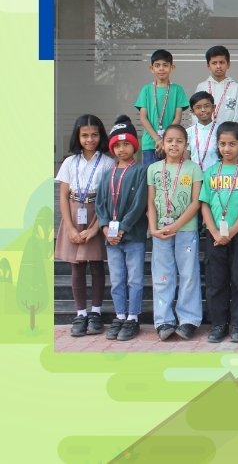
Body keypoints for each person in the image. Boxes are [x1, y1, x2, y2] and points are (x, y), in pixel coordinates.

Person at [56, 115, 114, 337]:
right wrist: (70, 228)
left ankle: (96, 312)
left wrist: (95, 227)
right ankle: (80, 314)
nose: (90, 139)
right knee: (76, 266)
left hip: (97, 213)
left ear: (101, 136)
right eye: (85, 135)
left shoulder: (107, 163)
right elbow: (63, 196)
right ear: (77, 137)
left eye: (94, 135)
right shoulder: (69, 162)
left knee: (97, 266)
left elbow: (109, 198)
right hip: (73, 214)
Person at [199, 121, 238, 344]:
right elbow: (204, 203)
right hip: (214, 236)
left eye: (232, 144)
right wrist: (214, 231)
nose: (227, 148)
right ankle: (219, 324)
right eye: (222, 144)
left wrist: (231, 232)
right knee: (216, 281)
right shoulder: (211, 172)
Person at [146, 124, 203, 341]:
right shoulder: (153, 169)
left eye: (179, 141)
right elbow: (151, 202)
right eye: (169, 140)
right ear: (162, 143)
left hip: (186, 230)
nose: (174, 145)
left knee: (188, 275)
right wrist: (153, 228)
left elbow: (196, 202)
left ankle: (189, 319)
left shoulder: (193, 168)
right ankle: (164, 320)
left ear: (186, 145)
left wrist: (176, 225)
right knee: (163, 275)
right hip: (161, 231)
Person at [94, 116, 148, 342]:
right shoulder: (107, 174)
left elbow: (139, 203)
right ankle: (119, 315)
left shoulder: (142, 171)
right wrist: (106, 228)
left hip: (133, 236)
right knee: (116, 279)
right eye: (117, 145)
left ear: (134, 146)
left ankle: (133, 317)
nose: (122, 149)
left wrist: (123, 228)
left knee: (134, 279)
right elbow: (100, 203)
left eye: (126, 144)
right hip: (111, 239)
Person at [134, 49, 188, 166]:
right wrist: (158, 139)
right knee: (151, 175)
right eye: (157, 65)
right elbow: (143, 118)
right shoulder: (146, 89)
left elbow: (178, 118)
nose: (161, 69)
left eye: (165, 65)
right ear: (151, 68)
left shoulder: (177, 90)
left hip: (171, 143)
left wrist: (165, 139)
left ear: (172, 68)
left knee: (171, 174)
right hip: (150, 143)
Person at [196, 45, 238, 123]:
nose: (218, 66)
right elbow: (196, 110)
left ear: (228, 64)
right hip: (206, 128)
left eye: (221, 62)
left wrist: (233, 129)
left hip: (228, 129)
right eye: (214, 63)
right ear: (208, 66)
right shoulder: (202, 87)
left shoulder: (234, 87)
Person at [186, 91, 219, 173]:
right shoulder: (188, 132)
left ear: (213, 108)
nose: (203, 110)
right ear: (192, 111)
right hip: (195, 174)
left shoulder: (221, 130)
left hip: (216, 174)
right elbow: (186, 157)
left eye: (206, 106)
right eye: (198, 107)